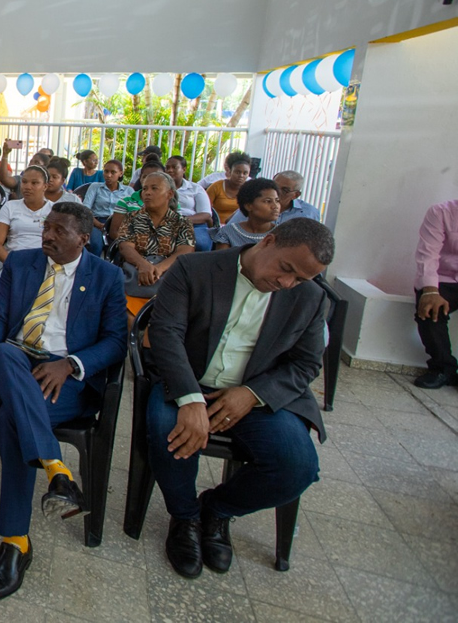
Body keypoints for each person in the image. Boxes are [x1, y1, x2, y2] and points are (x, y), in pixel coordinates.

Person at [145, 219, 335, 579]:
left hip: (256, 394)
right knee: (169, 431)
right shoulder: (194, 268)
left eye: (299, 279)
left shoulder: (311, 298)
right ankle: (184, 517)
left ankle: (216, 510)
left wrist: (252, 394)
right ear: (269, 241)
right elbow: (166, 333)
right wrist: (190, 399)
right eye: (286, 268)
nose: (286, 283)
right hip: (189, 380)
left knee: (297, 466)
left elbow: (306, 364)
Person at [0, 203, 127, 601]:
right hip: (15, 362)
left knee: (12, 422)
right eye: (46, 227)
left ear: (83, 239)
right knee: (2, 352)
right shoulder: (21, 263)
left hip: (64, 376)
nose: (47, 235)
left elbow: (115, 341)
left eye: (58, 231)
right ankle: (56, 468)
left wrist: (70, 365)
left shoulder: (106, 276)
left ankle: (15, 542)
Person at [118, 172, 196, 316]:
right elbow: (125, 246)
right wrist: (143, 265)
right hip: (136, 275)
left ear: (169, 194)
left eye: (154, 188)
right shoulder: (132, 218)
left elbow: (186, 250)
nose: (147, 193)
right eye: (145, 188)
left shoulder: (182, 222)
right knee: (128, 317)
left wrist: (159, 268)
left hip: (169, 277)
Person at [413, 198, 458, 389]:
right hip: (443, 279)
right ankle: (443, 368)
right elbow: (428, 254)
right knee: (431, 308)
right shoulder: (440, 212)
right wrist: (430, 290)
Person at [0, 166, 52, 284]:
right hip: (13, 261)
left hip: (45, 263)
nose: (27, 187)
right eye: (24, 182)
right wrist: (14, 264)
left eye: (34, 183)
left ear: (45, 186)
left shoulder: (54, 210)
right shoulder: (10, 207)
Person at [213, 178, 279, 249]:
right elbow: (222, 256)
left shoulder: (282, 235)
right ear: (248, 206)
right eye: (268, 201)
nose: (275, 206)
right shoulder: (228, 233)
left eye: (277, 201)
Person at [108, 159, 164, 241]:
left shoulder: (171, 203)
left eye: (156, 177)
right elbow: (114, 232)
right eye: (145, 177)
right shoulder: (125, 202)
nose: (150, 180)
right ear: (140, 178)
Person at [82, 159, 129, 257]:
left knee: (121, 246)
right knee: (96, 244)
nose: (108, 175)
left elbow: (133, 211)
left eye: (113, 172)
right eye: (106, 171)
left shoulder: (128, 191)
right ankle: (93, 265)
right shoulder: (95, 187)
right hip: (96, 222)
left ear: (120, 173)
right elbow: (85, 209)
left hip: (119, 224)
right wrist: (98, 224)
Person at [166, 155, 213, 252]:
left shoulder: (195, 188)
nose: (170, 170)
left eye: (174, 167)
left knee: (200, 244)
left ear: (184, 169)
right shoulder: (160, 189)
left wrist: (181, 221)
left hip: (194, 225)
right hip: (166, 225)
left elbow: (206, 214)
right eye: (167, 168)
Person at [205, 152, 252, 226]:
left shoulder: (250, 190)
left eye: (245, 173)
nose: (241, 176)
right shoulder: (216, 186)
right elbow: (205, 210)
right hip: (216, 226)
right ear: (229, 171)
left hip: (240, 227)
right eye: (237, 172)